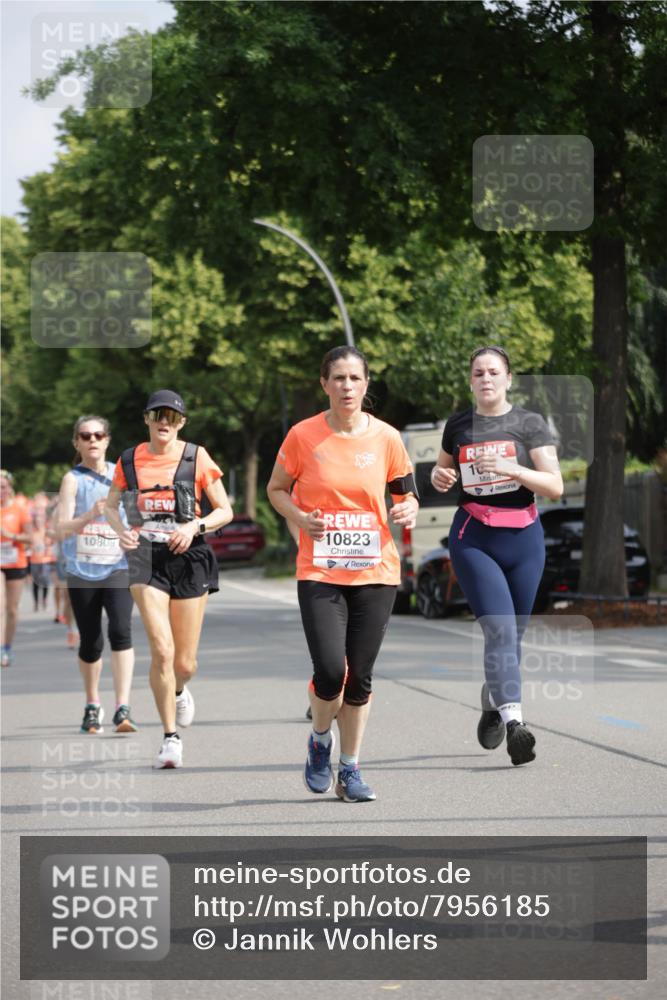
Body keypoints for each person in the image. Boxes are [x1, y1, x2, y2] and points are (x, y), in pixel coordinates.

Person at [267, 346, 418, 802]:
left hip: (376, 571)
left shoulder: (387, 438)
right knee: (332, 671)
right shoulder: (302, 435)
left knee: (360, 678)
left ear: (366, 383)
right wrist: (300, 516)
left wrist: (408, 508)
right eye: (338, 378)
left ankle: (350, 769)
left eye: (355, 378)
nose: (347, 386)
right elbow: (276, 489)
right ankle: (320, 740)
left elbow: (406, 494)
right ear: (324, 384)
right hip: (320, 570)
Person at [431, 345, 563, 765]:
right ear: (470, 380)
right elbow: (441, 471)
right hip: (474, 537)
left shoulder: (529, 423)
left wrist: (512, 470)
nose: (485, 378)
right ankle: (515, 725)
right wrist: (438, 476)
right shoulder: (458, 425)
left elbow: (555, 485)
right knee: (500, 633)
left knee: (511, 637)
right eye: (478, 373)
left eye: (493, 372)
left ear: (508, 378)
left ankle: (494, 700)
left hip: (524, 539)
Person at [105, 390, 233, 769]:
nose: (165, 421)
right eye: (158, 414)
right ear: (146, 419)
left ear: (182, 423)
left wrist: (194, 526)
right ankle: (169, 738)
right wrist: (122, 532)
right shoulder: (129, 460)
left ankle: (179, 690)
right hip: (145, 557)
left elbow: (224, 510)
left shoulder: (196, 457)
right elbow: (111, 507)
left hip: (190, 558)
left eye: (173, 416)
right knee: (161, 650)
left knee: (185, 663)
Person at [58, 417, 137, 733]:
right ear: (76, 442)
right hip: (83, 570)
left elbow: (135, 519)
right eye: (85, 435)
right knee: (91, 641)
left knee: (121, 630)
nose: (92, 439)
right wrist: (90, 514)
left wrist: (130, 536)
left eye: (98, 434)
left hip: (118, 566)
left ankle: (122, 708)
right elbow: (61, 528)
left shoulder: (122, 476)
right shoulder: (72, 479)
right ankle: (92, 704)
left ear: (107, 440)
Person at [0, 471, 32, 667]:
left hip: (15, 562)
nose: (0, 491)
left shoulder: (19, 509)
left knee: (12, 609)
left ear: (9, 488)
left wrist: (11, 535)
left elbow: (30, 537)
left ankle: (7, 647)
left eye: (3, 487)